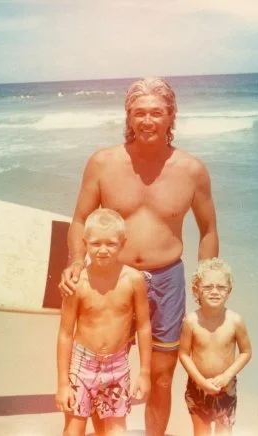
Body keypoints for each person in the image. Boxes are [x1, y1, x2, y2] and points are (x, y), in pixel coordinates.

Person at [59, 77, 219, 435]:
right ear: (128, 117)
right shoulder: (102, 163)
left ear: (171, 117)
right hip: (111, 279)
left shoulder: (192, 170)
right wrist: (74, 260)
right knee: (101, 367)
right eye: (139, 113)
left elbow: (208, 231)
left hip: (167, 282)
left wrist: (206, 283)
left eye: (157, 113)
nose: (148, 120)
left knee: (161, 378)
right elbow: (80, 219)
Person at [56, 208, 151, 436]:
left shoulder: (134, 280)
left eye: (111, 244)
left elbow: (144, 327)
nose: (103, 250)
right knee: (74, 429)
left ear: (123, 243)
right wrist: (62, 385)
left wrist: (145, 373)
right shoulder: (78, 284)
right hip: (82, 365)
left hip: (117, 366)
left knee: (116, 430)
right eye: (96, 243)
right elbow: (65, 334)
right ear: (85, 242)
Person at [178, 258, 252, 436]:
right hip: (197, 387)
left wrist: (227, 376)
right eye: (208, 287)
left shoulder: (235, 321)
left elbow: (246, 352)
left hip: (225, 388)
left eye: (221, 287)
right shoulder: (191, 321)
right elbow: (184, 354)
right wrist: (201, 382)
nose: (214, 292)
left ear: (229, 292)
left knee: (224, 432)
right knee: (201, 432)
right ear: (196, 290)